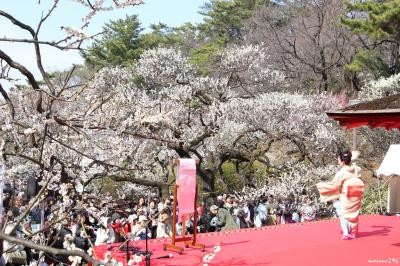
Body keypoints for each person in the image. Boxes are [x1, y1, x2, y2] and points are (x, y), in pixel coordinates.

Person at [316, 150, 365, 240]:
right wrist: (353, 159)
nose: (338, 162)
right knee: (354, 214)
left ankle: (346, 233)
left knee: (343, 213)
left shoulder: (341, 173)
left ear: (342, 161)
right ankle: (353, 233)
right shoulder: (355, 169)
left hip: (347, 195)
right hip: (357, 194)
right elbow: (355, 167)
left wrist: (321, 186)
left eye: (338, 160)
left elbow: (334, 185)